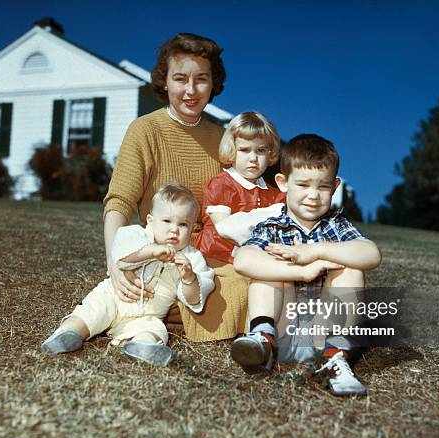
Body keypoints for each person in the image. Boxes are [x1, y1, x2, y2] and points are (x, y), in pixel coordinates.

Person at [101, 33, 248, 341]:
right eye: (180, 79)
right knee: (162, 283)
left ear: (213, 83)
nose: (191, 91)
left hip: (208, 256)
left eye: (201, 79)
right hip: (161, 252)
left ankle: (177, 311)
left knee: (252, 279)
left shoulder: (224, 138)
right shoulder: (145, 130)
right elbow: (118, 203)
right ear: (164, 81)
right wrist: (115, 264)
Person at [232, 134, 382, 395]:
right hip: (282, 332)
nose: (313, 195)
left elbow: (371, 254)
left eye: (323, 187)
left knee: (352, 267)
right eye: (303, 184)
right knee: (264, 266)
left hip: (322, 335)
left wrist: (314, 252)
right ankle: (263, 341)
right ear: (283, 183)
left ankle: (334, 359)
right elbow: (243, 260)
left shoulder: (337, 227)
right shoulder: (271, 228)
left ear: (334, 187)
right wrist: (300, 270)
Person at [41, 184, 214, 366]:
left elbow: (194, 300)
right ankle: (68, 334)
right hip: (113, 297)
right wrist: (151, 251)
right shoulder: (136, 234)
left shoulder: (192, 259)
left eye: (183, 224)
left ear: (193, 229)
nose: (174, 229)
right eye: (166, 221)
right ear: (150, 220)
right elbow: (121, 256)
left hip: (148, 315)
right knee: (92, 311)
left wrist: (189, 278)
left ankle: (143, 346)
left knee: (155, 329)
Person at [195, 111, 285, 264]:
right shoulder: (222, 185)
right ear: (231, 149)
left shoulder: (274, 194)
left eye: (261, 151)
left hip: (254, 257)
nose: (253, 158)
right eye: (244, 150)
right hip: (216, 256)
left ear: (270, 154)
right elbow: (226, 228)